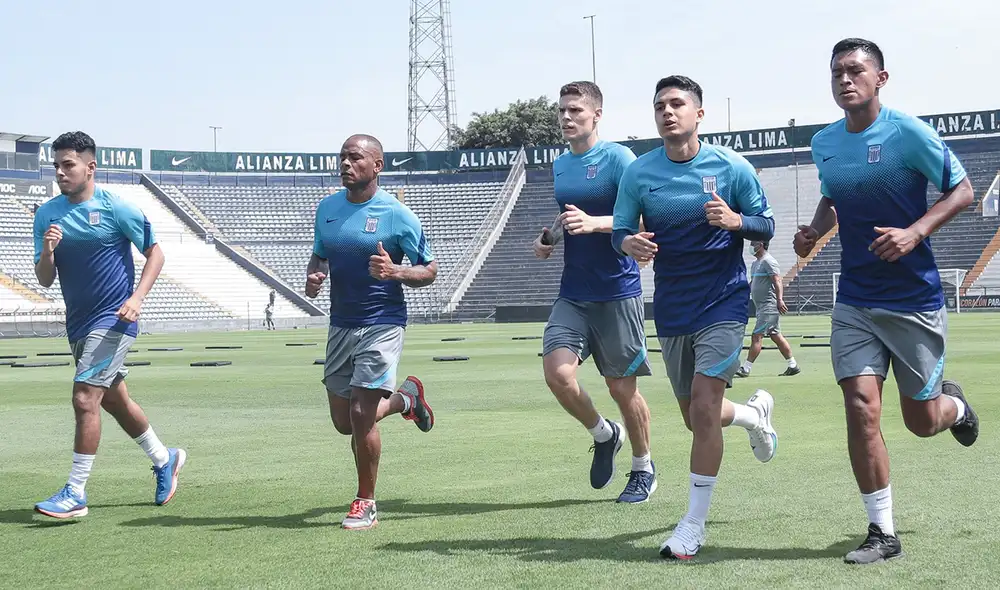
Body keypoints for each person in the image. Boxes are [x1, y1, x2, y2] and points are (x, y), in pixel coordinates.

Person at [796, 38, 979, 565]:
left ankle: (957, 405)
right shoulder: (825, 142)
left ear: (881, 78)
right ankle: (882, 532)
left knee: (922, 421)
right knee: (860, 407)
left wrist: (914, 233)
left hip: (913, 299)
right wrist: (814, 230)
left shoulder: (908, 133)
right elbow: (835, 195)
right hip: (855, 298)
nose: (845, 79)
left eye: (856, 70)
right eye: (837, 73)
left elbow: (963, 190)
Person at [612, 76, 779, 559]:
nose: (668, 112)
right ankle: (753, 416)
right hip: (672, 307)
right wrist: (629, 242)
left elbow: (766, 224)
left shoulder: (731, 167)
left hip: (724, 302)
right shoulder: (640, 174)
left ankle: (693, 525)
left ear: (698, 114)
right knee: (694, 417)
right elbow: (620, 229)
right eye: (660, 105)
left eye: (677, 104)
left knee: (704, 408)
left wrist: (736, 222)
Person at [32, 131, 185, 519]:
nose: (61, 173)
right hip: (78, 324)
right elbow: (45, 278)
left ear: (90, 166)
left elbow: (156, 253)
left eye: (68, 165)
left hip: (114, 319)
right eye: (57, 166)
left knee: (85, 398)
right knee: (114, 399)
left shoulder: (117, 208)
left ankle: (75, 492)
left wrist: (135, 299)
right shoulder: (47, 214)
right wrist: (48, 251)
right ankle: (164, 458)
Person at [532, 81, 657, 503]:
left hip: (618, 291)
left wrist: (597, 224)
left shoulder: (621, 159)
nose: (567, 118)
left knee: (623, 390)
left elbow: (641, 218)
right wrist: (549, 237)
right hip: (573, 292)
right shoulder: (560, 165)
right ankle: (605, 434)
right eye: (562, 111)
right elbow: (567, 214)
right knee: (558, 374)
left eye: (575, 111)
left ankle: (644, 468)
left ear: (597, 115)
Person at [305, 134, 437, 531]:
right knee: (345, 421)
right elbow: (320, 253)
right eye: (343, 157)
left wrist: (396, 271)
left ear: (377, 165)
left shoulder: (398, 215)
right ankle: (406, 400)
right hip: (340, 323)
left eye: (355, 157)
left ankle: (366, 501)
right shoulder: (327, 209)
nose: (346, 164)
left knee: (361, 414)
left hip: (383, 322)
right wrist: (316, 274)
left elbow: (428, 269)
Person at [735, 240, 799, 377]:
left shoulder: (769, 261)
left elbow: (777, 280)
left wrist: (780, 299)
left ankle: (746, 368)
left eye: (754, 243)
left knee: (756, 336)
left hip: (768, 306)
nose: (751, 246)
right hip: (760, 307)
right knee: (775, 335)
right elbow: (754, 283)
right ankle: (793, 365)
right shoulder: (755, 264)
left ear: (761, 245)